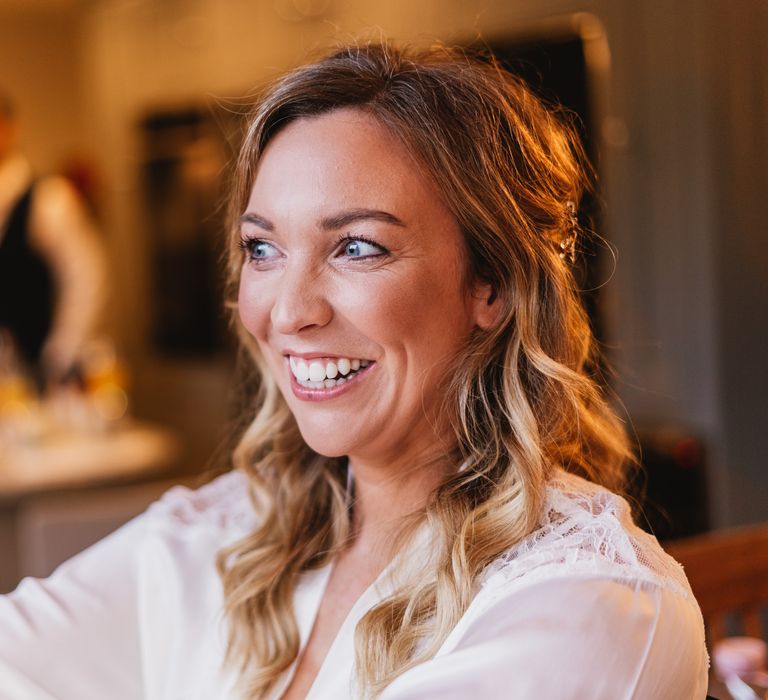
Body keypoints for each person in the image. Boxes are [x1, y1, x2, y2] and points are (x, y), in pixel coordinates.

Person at [0, 44, 709, 699]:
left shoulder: (594, 605)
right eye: (262, 248)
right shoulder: (221, 536)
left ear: (491, 285)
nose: (290, 312)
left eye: (358, 247)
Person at [0, 91, 106, 386]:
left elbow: (86, 280)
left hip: (51, 371)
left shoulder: (49, 199)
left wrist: (60, 355)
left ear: (9, 128)